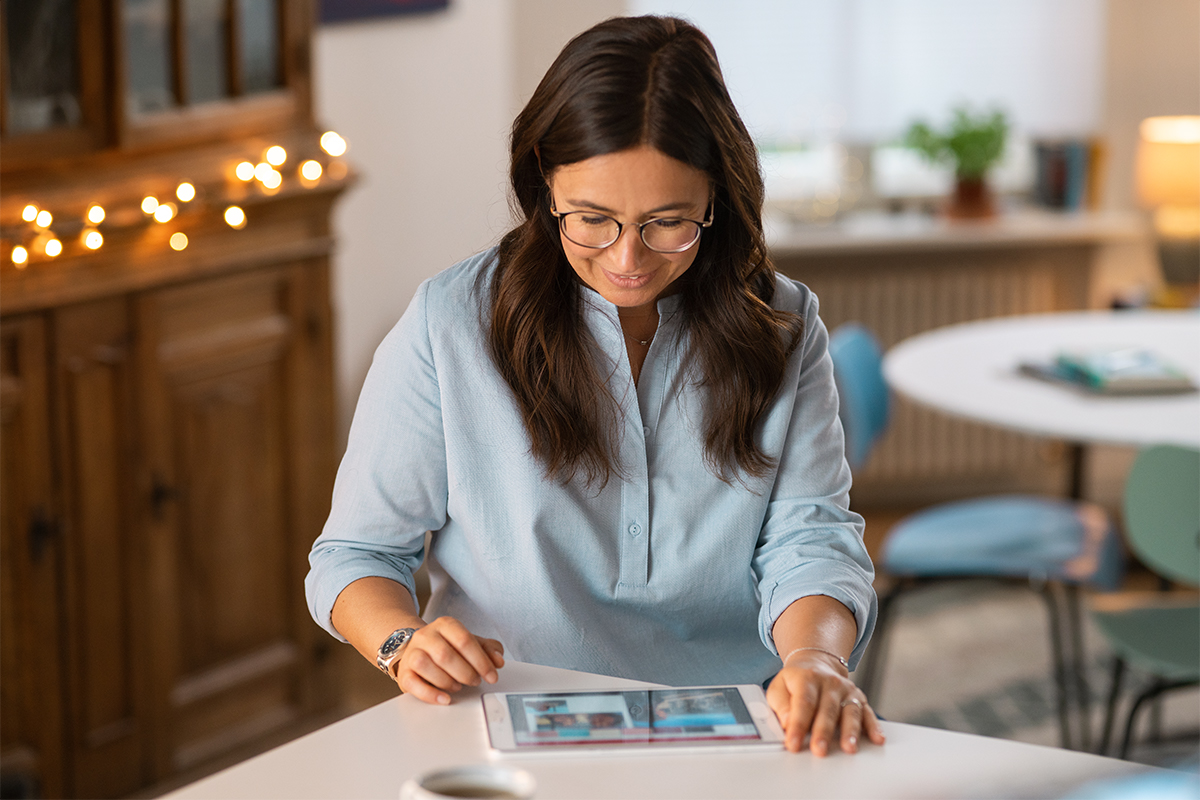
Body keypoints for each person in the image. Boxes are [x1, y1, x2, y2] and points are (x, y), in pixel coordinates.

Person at [306, 15, 883, 757]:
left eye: (668, 222)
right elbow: (355, 553)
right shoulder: (447, 325)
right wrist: (402, 639)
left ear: (718, 196)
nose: (628, 260)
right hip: (505, 722)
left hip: (737, 724)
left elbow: (811, 537)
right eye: (593, 220)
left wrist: (816, 660)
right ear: (544, 180)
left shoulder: (783, 323)